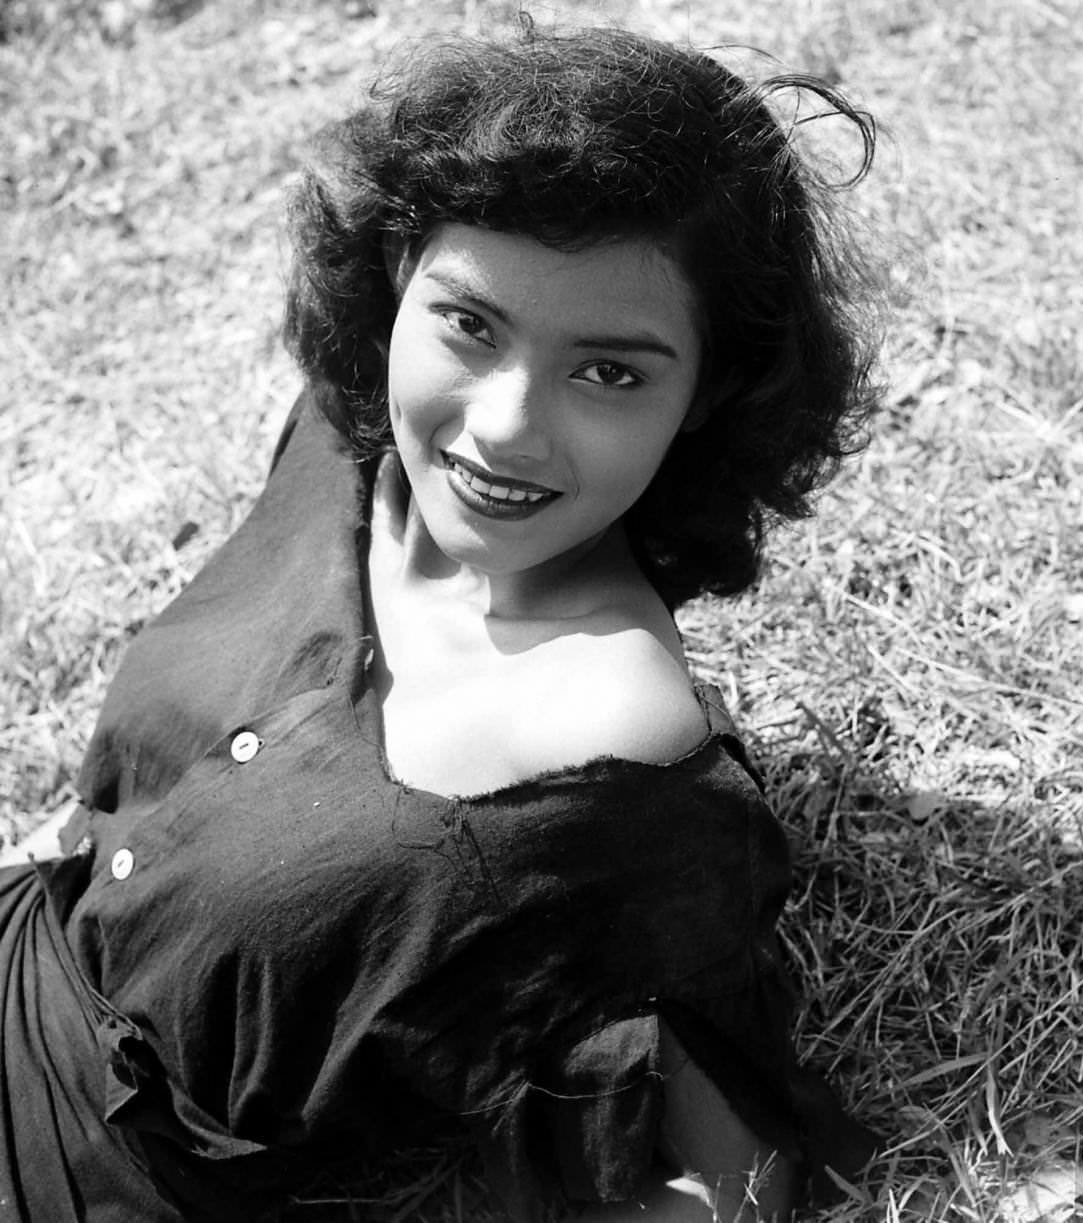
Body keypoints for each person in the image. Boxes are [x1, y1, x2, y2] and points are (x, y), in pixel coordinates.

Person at [0, 23, 884, 1223]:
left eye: (610, 372)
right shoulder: (337, 439)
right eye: (470, 324)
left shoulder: (599, 727)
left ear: (705, 395)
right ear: (398, 275)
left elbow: (727, 1165)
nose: (505, 425)